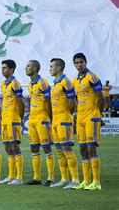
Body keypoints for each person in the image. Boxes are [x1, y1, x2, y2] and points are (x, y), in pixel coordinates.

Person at [72, 53, 103, 190]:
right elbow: (77, 100)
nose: (79, 65)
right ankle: (85, 181)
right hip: (80, 118)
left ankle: (96, 182)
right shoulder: (75, 80)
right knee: (82, 149)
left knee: (91, 148)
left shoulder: (92, 77)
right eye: (76, 63)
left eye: (81, 62)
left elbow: (100, 98)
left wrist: (99, 115)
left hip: (92, 116)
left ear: (86, 62)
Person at [49, 58, 80, 189]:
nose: (49, 69)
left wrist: (67, 116)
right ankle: (64, 179)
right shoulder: (55, 83)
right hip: (55, 121)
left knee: (67, 150)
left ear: (59, 68)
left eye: (51, 67)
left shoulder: (66, 82)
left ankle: (75, 180)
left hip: (64, 121)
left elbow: (72, 103)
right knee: (60, 152)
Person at [25, 60, 54, 186]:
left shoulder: (43, 83)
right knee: (34, 148)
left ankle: (50, 178)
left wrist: (49, 117)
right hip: (32, 119)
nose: (26, 68)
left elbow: (49, 102)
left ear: (35, 68)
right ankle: (36, 178)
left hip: (42, 119)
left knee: (46, 148)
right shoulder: (30, 84)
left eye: (28, 66)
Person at [0, 60, 24, 185]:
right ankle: (10, 176)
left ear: (12, 69)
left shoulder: (15, 83)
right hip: (5, 119)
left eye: (5, 68)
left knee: (15, 146)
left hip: (13, 119)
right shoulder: (3, 84)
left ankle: (18, 178)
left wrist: (20, 118)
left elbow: (20, 102)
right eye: (2, 68)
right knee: (8, 147)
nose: (3, 70)